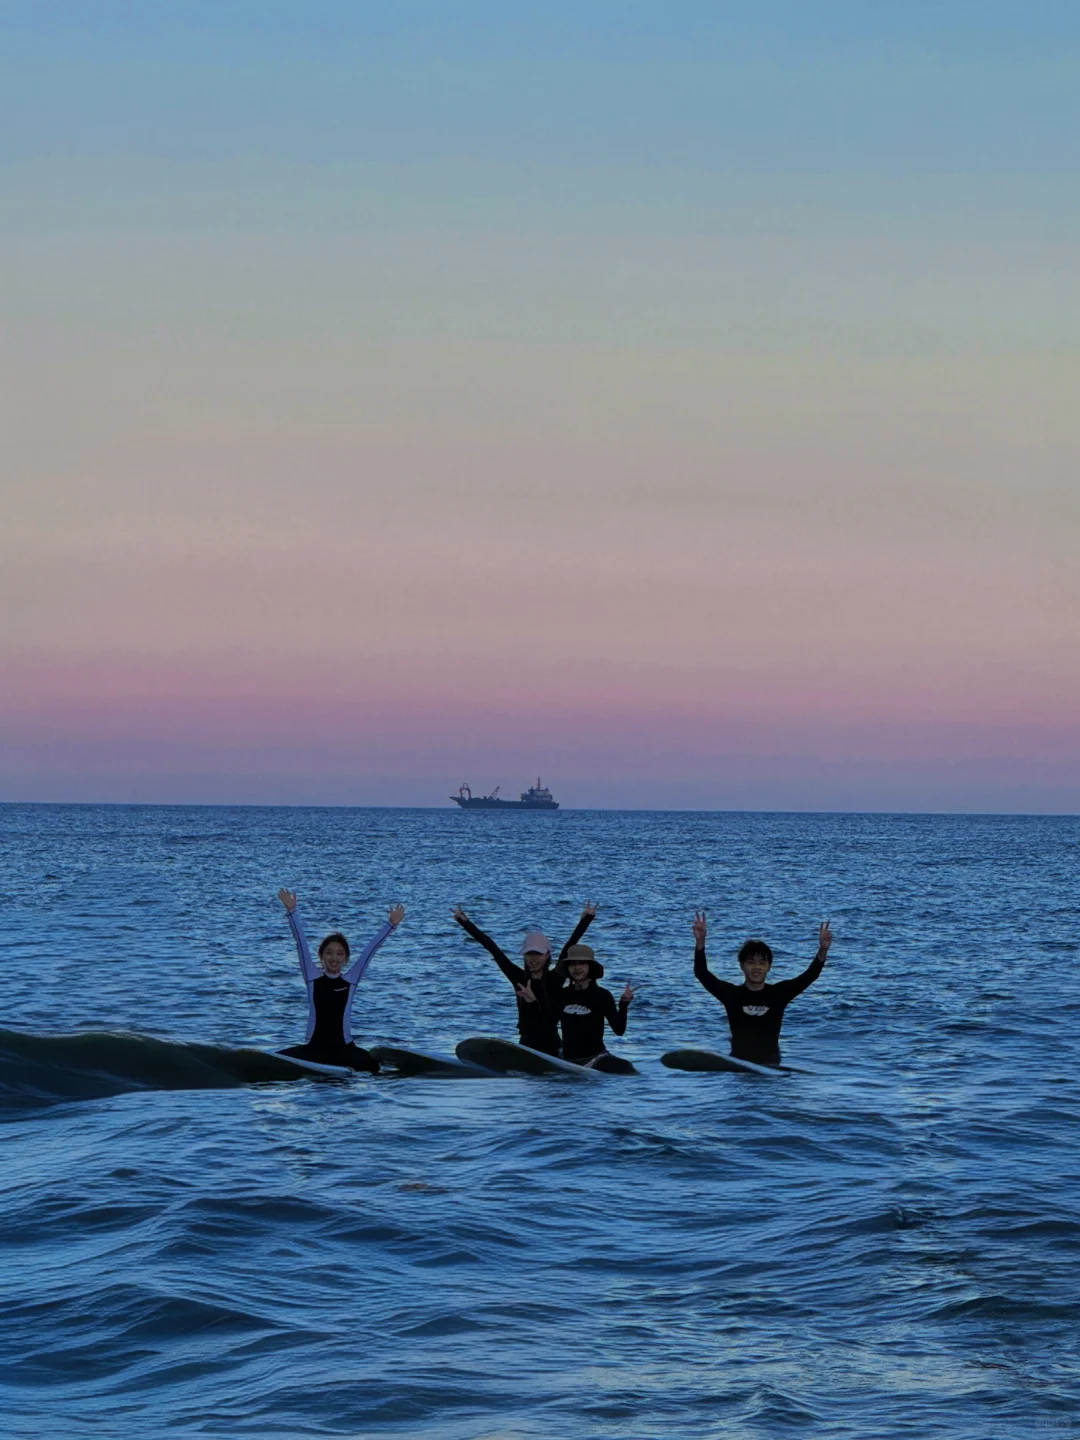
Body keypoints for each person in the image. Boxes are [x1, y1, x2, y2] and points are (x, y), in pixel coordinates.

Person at [277, 887, 405, 1073]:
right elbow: (300, 942)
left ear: (345, 958)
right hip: (314, 1050)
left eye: (339, 954)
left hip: (344, 1050)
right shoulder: (312, 977)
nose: (334, 958)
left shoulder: (351, 980)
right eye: (329, 953)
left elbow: (370, 951)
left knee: (374, 1068)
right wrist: (292, 911)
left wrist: (391, 925)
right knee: (278, 1058)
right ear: (321, 956)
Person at [450, 901, 597, 1056]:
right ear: (524, 955)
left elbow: (570, 945)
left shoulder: (556, 977)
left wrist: (586, 920)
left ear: (547, 956)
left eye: (538, 954)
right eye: (529, 954)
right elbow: (492, 948)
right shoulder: (518, 977)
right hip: (526, 1044)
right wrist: (465, 922)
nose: (533, 959)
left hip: (551, 1045)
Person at [691, 911, 832, 1066]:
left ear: (769, 967)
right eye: (751, 962)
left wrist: (823, 950)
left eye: (762, 962)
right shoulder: (731, 995)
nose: (756, 968)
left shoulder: (779, 994)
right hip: (739, 1061)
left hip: (770, 1062)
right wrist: (700, 944)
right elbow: (702, 974)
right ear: (742, 966)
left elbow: (809, 976)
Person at [550, 943, 635, 1072]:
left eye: (582, 963)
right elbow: (548, 1026)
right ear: (568, 968)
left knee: (626, 1068)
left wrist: (623, 1006)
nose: (577, 968)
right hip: (566, 1060)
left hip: (596, 1059)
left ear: (590, 967)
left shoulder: (602, 995)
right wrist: (532, 1001)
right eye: (573, 964)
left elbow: (619, 1030)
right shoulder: (561, 995)